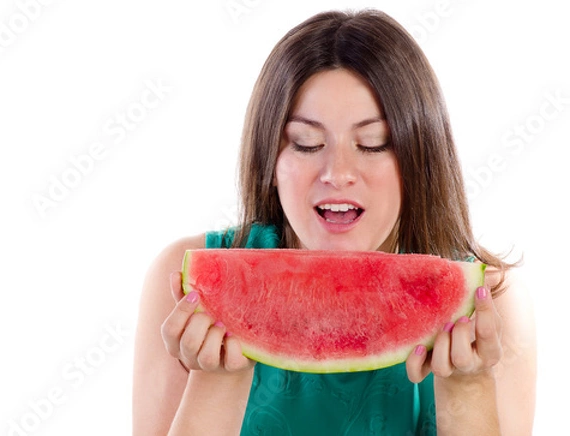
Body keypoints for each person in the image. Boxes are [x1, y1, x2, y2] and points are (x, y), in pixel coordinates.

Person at [132, 9, 536, 435]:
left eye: (373, 143)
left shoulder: (492, 304)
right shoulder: (186, 284)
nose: (337, 172)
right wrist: (216, 382)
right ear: (269, 160)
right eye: (306, 144)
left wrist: (467, 391)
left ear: (418, 158)